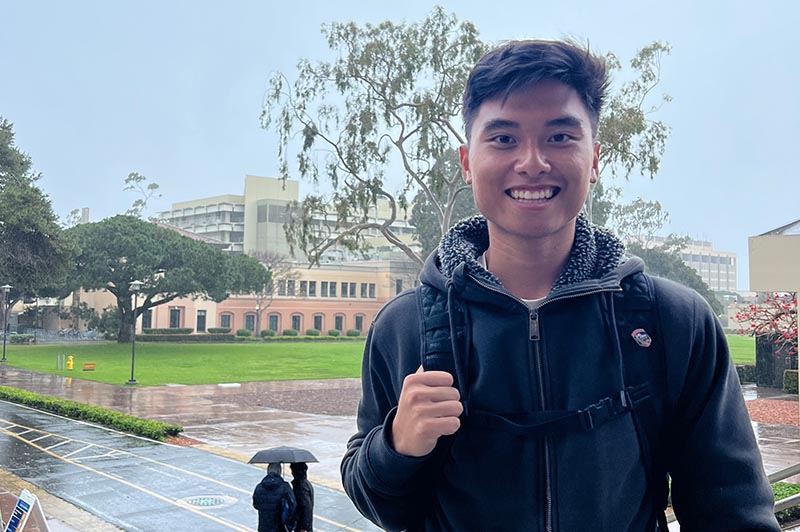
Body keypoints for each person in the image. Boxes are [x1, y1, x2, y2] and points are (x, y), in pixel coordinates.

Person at [340, 39, 780, 531]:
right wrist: (397, 445)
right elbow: (380, 505)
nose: (532, 162)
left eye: (560, 137)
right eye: (504, 139)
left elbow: (733, 512)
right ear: (467, 162)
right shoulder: (405, 327)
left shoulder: (673, 321)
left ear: (595, 159)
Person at [253, 462, 295, 532]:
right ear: (279, 471)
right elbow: (292, 505)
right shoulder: (285, 487)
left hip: (264, 526)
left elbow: (256, 505)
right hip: (280, 527)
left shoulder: (259, 487)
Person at [290, 462, 314, 532]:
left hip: (301, 525)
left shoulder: (300, 486)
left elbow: (306, 507)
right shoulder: (305, 483)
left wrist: (304, 527)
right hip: (304, 525)